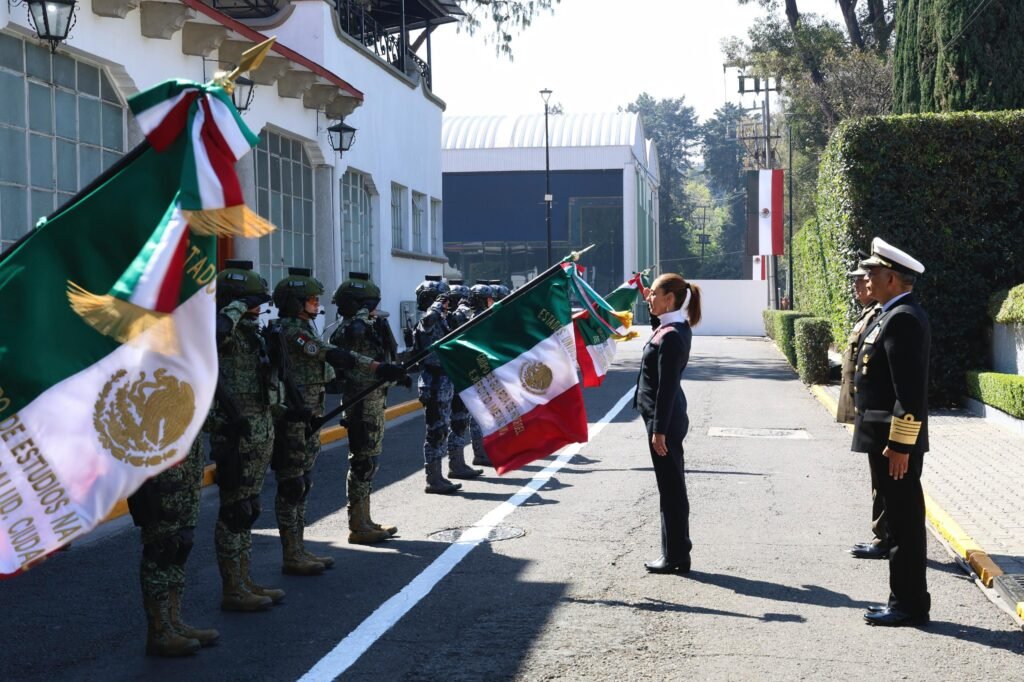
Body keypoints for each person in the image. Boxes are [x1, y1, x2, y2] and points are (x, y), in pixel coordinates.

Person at [267, 268, 406, 575]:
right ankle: (293, 552)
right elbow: (331, 354)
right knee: (293, 484)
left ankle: (299, 549)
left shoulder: (304, 328)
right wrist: (376, 367)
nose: (318, 304)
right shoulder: (293, 331)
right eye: (311, 300)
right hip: (295, 414)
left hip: (308, 412)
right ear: (294, 303)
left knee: (302, 482)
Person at [853, 238, 931, 627]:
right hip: (884, 440)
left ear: (891, 278)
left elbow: (910, 393)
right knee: (899, 522)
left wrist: (901, 445)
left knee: (904, 525)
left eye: (873, 273)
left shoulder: (902, 318)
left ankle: (909, 604)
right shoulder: (891, 313)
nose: (867, 278)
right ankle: (905, 600)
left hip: (893, 444)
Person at [210, 261, 283, 613]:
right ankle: (232, 588)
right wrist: (236, 307)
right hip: (235, 427)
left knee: (250, 506)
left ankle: (244, 579)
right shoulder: (221, 326)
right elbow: (214, 336)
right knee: (235, 507)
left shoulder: (251, 330)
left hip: (259, 422)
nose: (259, 306)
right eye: (252, 300)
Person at [635, 273, 702, 574]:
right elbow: (657, 333)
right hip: (665, 417)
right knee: (670, 485)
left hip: (667, 420)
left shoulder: (673, 335)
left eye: (654, 295)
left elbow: (667, 386)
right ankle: (675, 551)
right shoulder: (671, 327)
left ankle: (676, 554)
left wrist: (658, 430)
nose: (649, 298)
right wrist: (645, 293)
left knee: (671, 487)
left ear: (670, 299)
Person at [129, 437, 218, 656]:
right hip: (157, 444)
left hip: (186, 443)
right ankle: (159, 631)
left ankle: (174, 622)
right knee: (161, 545)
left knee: (181, 541)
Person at [329, 272, 402, 544]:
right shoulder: (348, 328)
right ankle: (358, 526)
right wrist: (360, 317)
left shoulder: (369, 327)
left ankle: (365, 519)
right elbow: (342, 348)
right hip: (359, 403)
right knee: (362, 462)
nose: (373, 310)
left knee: (369, 462)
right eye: (369, 304)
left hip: (373, 400)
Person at [837, 257, 888, 561]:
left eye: (864, 278)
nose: (859, 284)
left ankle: (884, 537)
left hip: (878, 413)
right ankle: (881, 534)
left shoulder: (882, 315)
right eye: (858, 279)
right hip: (866, 410)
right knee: (878, 478)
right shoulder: (871, 313)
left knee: (883, 480)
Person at [413, 276, 462, 494]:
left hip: (445, 379)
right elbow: (426, 324)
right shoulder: (427, 318)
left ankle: (440, 475)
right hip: (433, 382)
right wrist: (435, 306)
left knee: (442, 428)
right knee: (436, 431)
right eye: (443, 300)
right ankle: (433, 479)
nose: (447, 303)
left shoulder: (443, 319)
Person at [444, 281, 484, 480]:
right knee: (453, 423)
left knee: (463, 420)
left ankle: (460, 462)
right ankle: (455, 465)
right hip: (453, 376)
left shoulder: (453, 318)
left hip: (463, 374)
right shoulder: (448, 319)